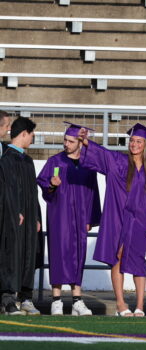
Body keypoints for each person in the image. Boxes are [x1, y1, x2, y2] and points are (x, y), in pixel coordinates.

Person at [79, 123, 146, 317]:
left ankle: (140, 305)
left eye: (139, 141)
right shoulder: (118, 161)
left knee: (138, 261)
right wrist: (85, 141)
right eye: (132, 141)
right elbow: (101, 153)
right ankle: (120, 303)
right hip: (118, 217)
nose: (134, 144)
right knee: (117, 257)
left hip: (140, 221)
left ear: (145, 145)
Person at [37, 122, 101, 316]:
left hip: (81, 217)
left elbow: (93, 193)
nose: (66, 144)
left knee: (78, 255)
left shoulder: (88, 166)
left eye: (70, 141)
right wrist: (51, 184)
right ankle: (56, 300)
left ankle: (77, 300)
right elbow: (42, 182)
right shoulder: (55, 162)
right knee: (58, 253)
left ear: (80, 142)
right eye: (65, 140)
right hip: (59, 216)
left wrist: (91, 217)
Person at [0, 117, 41, 315]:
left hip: (29, 217)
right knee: (12, 254)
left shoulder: (28, 160)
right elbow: (8, 189)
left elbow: (33, 192)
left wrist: (37, 217)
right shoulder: (6, 158)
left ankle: (26, 297)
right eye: (32, 134)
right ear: (24, 133)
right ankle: (8, 299)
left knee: (28, 254)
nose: (33, 138)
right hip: (13, 216)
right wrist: (15, 211)